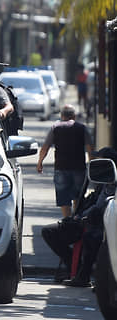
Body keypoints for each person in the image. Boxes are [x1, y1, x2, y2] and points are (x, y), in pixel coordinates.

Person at [42, 147, 117, 287]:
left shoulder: (111, 183)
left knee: (92, 238)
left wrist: (82, 217)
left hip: (96, 224)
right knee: (49, 231)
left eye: (100, 161)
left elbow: (101, 207)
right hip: (84, 220)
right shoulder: (101, 182)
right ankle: (73, 267)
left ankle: (83, 275)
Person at [37, 104, 93, 218]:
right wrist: (92, 164)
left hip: (61, 168)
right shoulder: (82, 128)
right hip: (79, 168)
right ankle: (77, 219)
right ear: (74, 116)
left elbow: (45, 147)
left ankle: (67, 221)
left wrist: (40, 162)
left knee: (64, 198)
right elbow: (89, 149)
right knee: (78, 196)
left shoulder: (55, 127)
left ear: (62, 115)